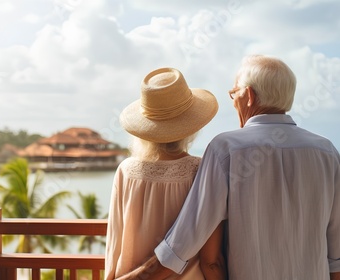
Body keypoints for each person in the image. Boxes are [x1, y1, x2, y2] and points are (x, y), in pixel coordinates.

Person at [116, 55, 340, 280]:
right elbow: (336, 250)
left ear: (249, 96)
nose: (233, 101)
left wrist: (134, 278)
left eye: (234, 93)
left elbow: (184, 242)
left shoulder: (227, 149)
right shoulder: (327, 151)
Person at [105, 67, 226, 280]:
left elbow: (115, 244)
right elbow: (210, 259)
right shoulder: (199, 170)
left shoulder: (126, 171)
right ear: (190, 125)